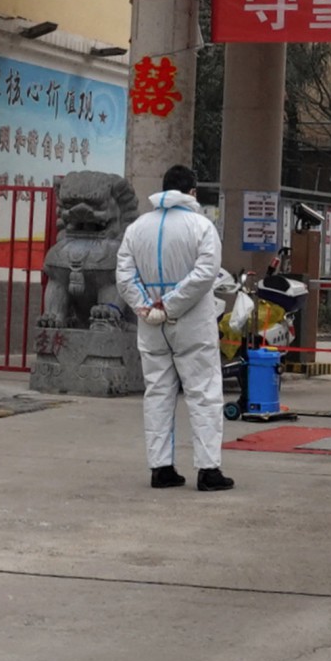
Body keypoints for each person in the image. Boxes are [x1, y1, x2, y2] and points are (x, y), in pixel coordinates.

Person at [115, 164, 233, 492]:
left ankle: (161, 468)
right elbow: (205, 273)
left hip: (150, 325)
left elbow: (124, 276)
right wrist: (171, 305)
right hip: (192, 323)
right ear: (192, 192)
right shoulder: (201, 227)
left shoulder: (137, 228)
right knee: (204, 392)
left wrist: (146, 307)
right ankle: (208, 470)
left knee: (157, 392)